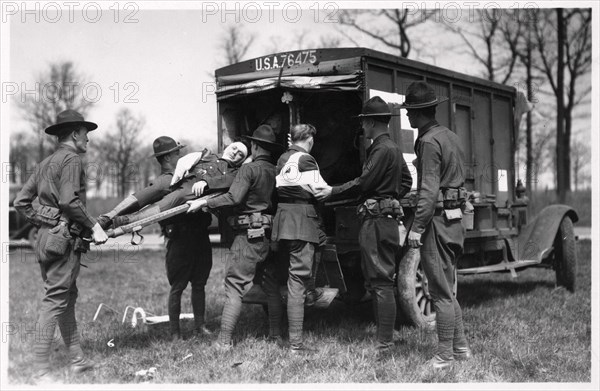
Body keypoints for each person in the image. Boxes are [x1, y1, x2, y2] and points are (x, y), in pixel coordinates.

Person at [13, 109, 109, 382]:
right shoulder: (71, 159)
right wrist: (94, 225)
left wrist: (47, 220)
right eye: (86, 134)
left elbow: (21, 201)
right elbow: (68, 201)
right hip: (63, 241)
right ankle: (40, 370)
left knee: (65, 299)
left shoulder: (45, 163)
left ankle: (78, 361)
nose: (88, 140)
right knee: (55, 301)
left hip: (46, 238)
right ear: (76, 133)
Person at [315, 96, 412, 357]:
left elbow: (363, 182)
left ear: (370, 122)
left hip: (376, 223)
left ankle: (384, 343)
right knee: (382, 281)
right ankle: (385, 339)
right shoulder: (392, 147)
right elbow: (406, 180)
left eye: (364, 123)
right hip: (388, 221)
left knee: (379, 283)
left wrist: (332, 191)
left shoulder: (380, 149)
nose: (363, 128)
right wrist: (390, 197)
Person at [98, 136, 218, 340]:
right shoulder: (165, 181)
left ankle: (200, 326)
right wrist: (110, 218)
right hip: (180, 240)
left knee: (199, 284)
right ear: (168, 157)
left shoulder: (191, 175)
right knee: (178, 286)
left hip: (200, 237)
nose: (180, 155)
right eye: (176, 153)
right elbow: (138, 198)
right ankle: (175, 333)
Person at [186, 125, 282, 351]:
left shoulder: (248, 171)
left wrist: (204, 202)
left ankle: (224, 341)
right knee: (271, 286)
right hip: (270, 234)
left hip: (248, 236)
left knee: (234, 286)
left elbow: (233, 197)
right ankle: (276, 334)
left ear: (256, 147)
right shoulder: (276, 170)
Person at [401, 81, 471, 369]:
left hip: (438, 221)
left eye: (410, 111)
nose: (407, 116)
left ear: (419, 113)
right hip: (454, 219)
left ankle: (444, 356)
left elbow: (428, 191)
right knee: (446, 288)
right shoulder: (450, 136)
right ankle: (461, 348)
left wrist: (416, 227)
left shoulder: (429, 141)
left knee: (439, 292)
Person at [262, 123, 329, 353]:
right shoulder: (306, 159)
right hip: (302, 220)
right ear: (309, 139)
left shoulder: (282, 159)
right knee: (297, 282)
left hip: (283, 221)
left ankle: (280, 332)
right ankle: (296, 345)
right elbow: (320, 191)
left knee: (289, 279)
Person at [100, 141, 248, 228]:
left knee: (174, 198)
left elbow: (226, 181)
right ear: (228, 146)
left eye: (241, 154)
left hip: (194, 187)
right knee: (156, 187)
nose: (235, 153)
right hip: (181, 175)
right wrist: (189, 160)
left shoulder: (235, 172)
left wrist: (206, 182)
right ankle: (108, 216)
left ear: (242, 160)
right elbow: (185, 163)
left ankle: (125, 220)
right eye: (234, 148)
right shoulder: (207, 153)